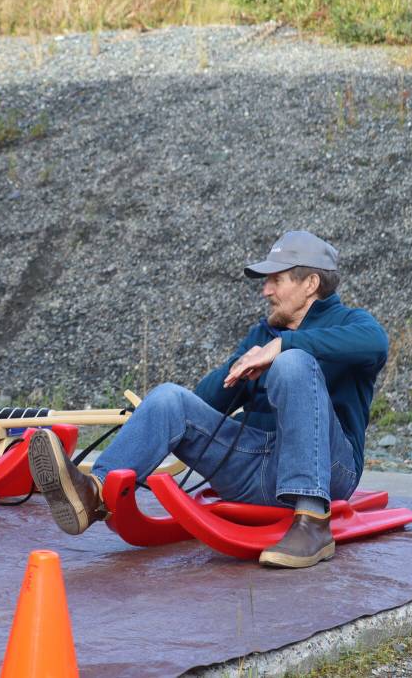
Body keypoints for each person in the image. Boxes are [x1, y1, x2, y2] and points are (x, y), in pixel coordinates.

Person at [27, 231, 389, 568]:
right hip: (255, 468)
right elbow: (204, 404)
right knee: (171, 397)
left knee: (293, 362)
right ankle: (94, 494)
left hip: (328, 473)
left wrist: (284, 346)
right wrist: (241, 368)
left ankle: (312, 523)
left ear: (310, 284)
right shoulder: (261, 334)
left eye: (275, 280)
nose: (265, 291)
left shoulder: (351, 322)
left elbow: (376, 343)